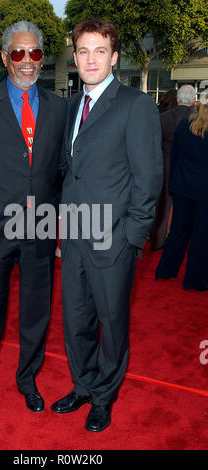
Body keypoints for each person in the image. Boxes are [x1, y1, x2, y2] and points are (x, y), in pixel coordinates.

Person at [51, 18, 163, 432]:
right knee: (76, 319)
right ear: (75, 56)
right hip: (74, 236)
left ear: (114, 57)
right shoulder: (70, 106)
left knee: (112, 323)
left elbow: (148, 179)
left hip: (112, 240)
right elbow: (70, 169)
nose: (91, 58)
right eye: (83, 51)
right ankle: (82, 385)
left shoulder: (136, 105)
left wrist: (131, 240)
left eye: (100, 50)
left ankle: (104, 396)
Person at [0, 21, 67, 423]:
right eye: (18, 53)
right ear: (5, 57)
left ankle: (27, 380)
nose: (27, 61)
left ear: (42, 57)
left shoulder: (59, 107)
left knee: (36, 311)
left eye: (34, 53)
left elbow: (61, 169)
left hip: (39, 227)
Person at [156, 97, 208, 291]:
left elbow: (174, 155)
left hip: (183, 187)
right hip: (204, 192)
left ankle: (165, 271)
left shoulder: (185, 126)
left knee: (178, 231)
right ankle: (195, 280)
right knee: (201, 236)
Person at [150, 85, 196, 251]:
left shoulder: (164, 117)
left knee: (163, 205)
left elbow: (153, 143)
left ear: (178, 99)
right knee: (188, 207)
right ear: (194, 100)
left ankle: (158, 240)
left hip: (166, 165)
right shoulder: (198, 118)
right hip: (191, 167)